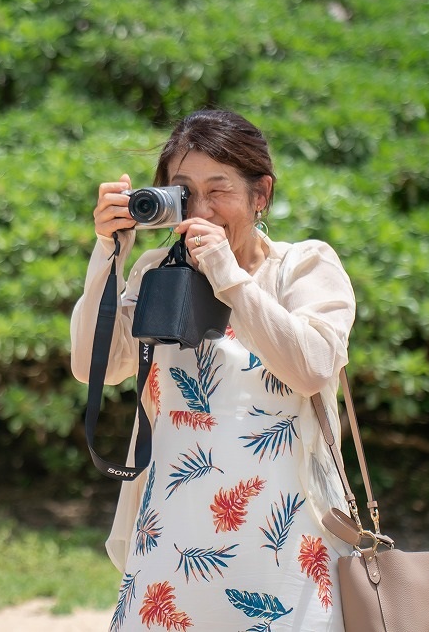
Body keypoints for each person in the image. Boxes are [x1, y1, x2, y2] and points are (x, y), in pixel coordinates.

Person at [71, 108, 355, 632]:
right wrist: (107, 255)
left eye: (218, 190)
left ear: (260, 193)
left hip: (286, 547)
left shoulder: (304, 266)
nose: (200, 209)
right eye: (183, 191)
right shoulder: (157, 271)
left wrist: (228, 275)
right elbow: (98, 365)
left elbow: (312, 369)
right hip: (170, 544)